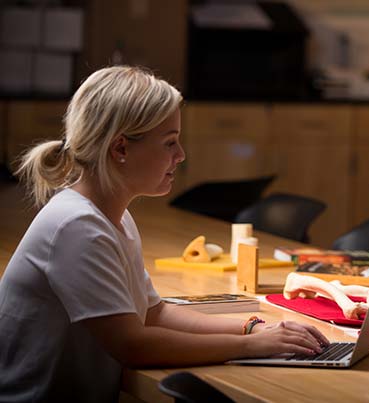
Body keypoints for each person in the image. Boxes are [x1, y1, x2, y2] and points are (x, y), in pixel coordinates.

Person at [0, 66, 328, 402]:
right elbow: (134, 345)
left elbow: (155, 313)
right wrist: (252, 345)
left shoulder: (114, 218)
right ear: (121, 149)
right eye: (170, 142)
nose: (180, 155)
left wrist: (255, 328)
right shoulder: (76, 227)